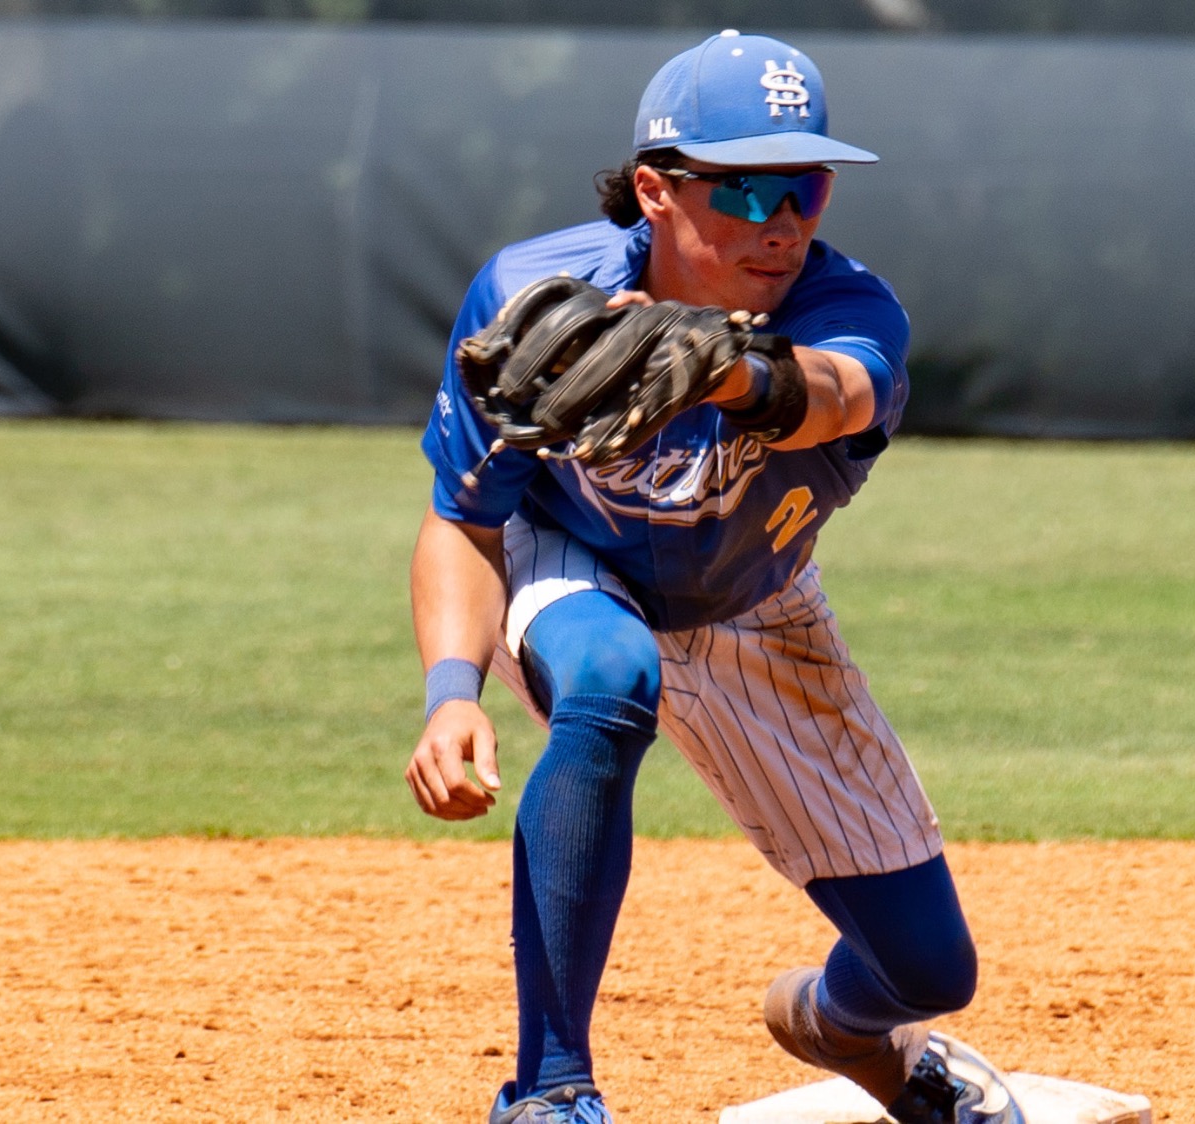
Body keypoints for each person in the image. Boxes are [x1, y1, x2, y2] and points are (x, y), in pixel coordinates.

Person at [406, 30, 1024, 1124]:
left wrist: (731, 369)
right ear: (653, 187)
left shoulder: (848, 310)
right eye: (742, 188)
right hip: (574, 559)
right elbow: (464, 516)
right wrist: (450, 693)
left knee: (930, 969)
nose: (779, 220)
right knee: (607, 676)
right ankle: (547, 1089)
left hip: (756, 608)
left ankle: (841, 1029)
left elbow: (835, 393)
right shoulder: (535, 298)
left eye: (804, 185)